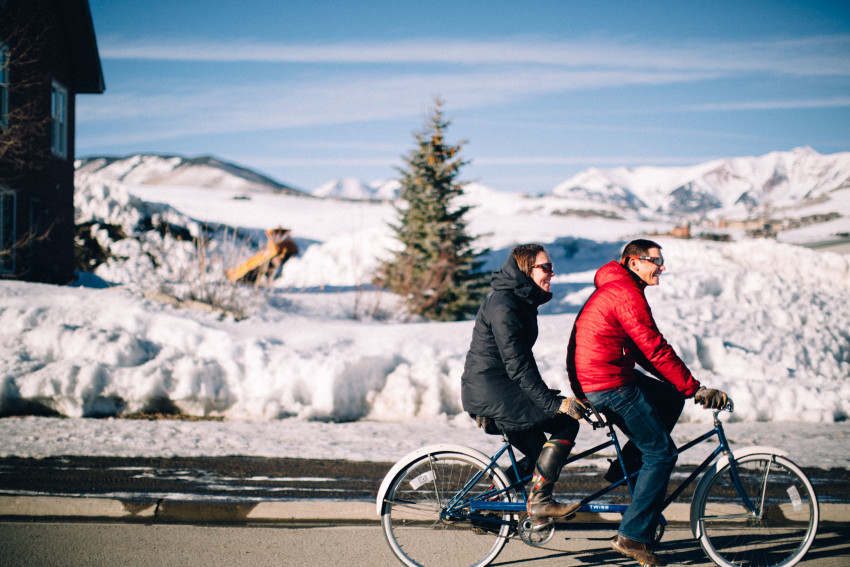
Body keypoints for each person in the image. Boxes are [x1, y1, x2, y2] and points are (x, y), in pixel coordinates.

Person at [566, 239, 730, 567]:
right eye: (655, 260)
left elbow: (643, 350)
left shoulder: (620, 287)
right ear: (633, 262)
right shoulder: (625, 293)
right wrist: (695, 388)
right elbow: (654, 348)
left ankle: (627, 470)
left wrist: (682, 388)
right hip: (607, 383)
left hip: (604, 376)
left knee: (669, 398)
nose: (662, 266)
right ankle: (632, 536)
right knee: (663, 452)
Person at [462, 243, 587, 531]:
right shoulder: (506, 305)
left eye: (551, 268)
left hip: (498, 389)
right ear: (525, 269)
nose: (551, 273)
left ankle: (491, 506)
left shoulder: (518, 301)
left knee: (537, 453)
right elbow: (517, 363)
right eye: (545, 267)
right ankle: (540, 501)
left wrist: (551, 398)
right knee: (566, 424)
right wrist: (554, 404)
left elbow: (521, 363)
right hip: (493, 392)